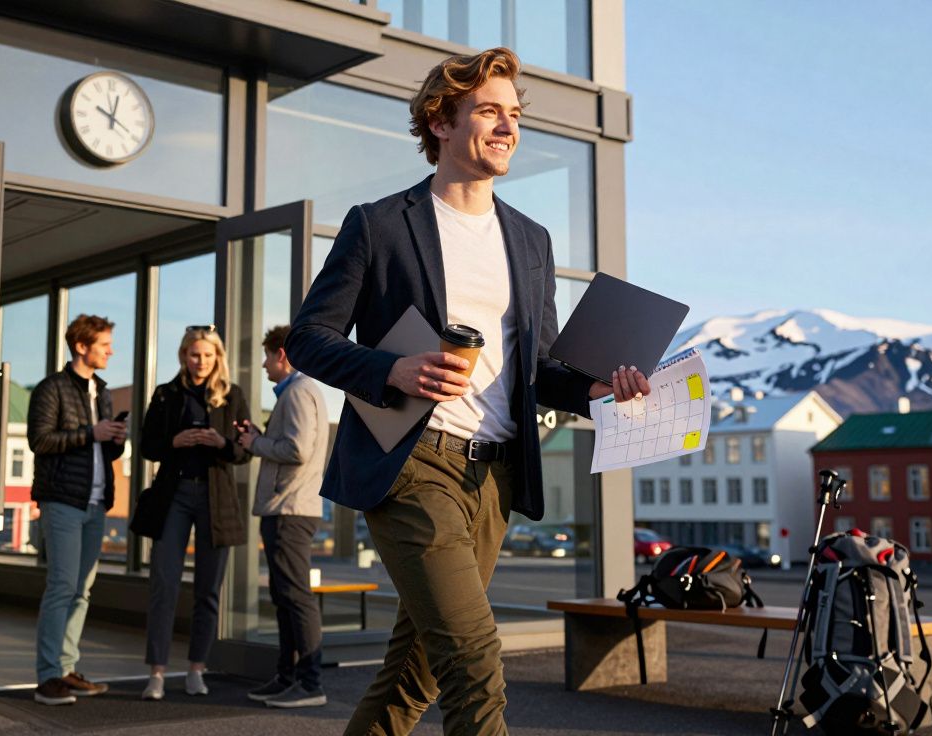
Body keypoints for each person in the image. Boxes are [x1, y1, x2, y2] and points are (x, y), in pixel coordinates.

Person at [284, 47, 649, 734]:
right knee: (475, 660)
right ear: (441, 120)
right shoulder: (381, 224)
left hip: (495, 481)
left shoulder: (531, 240)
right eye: (489, 111)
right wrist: (390, 370)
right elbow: (308, 338)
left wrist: (599, 387)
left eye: (514, 115)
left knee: (412, 676)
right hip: (412, 464)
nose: (508, 127)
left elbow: (541, 368)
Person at [138, 326, 251, 701]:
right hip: (174, 496)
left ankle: (196, 670)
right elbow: (147, 447)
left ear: (217, 357)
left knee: (208, 590)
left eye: (207, 355)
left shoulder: (232, 396)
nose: (200, 361)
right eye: (193, 354)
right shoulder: (165, 394)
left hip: (216, 500)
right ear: (183, 355)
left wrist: (220, 442)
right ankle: (156, 673)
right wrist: (175, 441)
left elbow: (244, 450)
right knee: (163, 585)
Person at [28, 314, 127, 706]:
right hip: (63, 501)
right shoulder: (51, 387)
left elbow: (102, 450)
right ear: (82, 346)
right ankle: (48, 676)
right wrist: (92, 433)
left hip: (95, 502)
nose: (111, 351)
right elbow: (40, 440)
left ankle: (66, 669)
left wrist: (114, 439)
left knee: (82, 592)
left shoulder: (101, 391)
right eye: (104, 344)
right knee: (62, 587)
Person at [237, 325, 330, 709]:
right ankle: (288, 676)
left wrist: (253, 443)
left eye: (267, 355)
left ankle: (310, 683)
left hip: (290, 510)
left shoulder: (298, 392)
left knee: (294, 596)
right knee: (285, 595)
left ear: (283, 355)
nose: (263, 364)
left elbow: (296, 449)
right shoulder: (300, 393)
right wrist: (261, 436)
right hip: (289, 508)